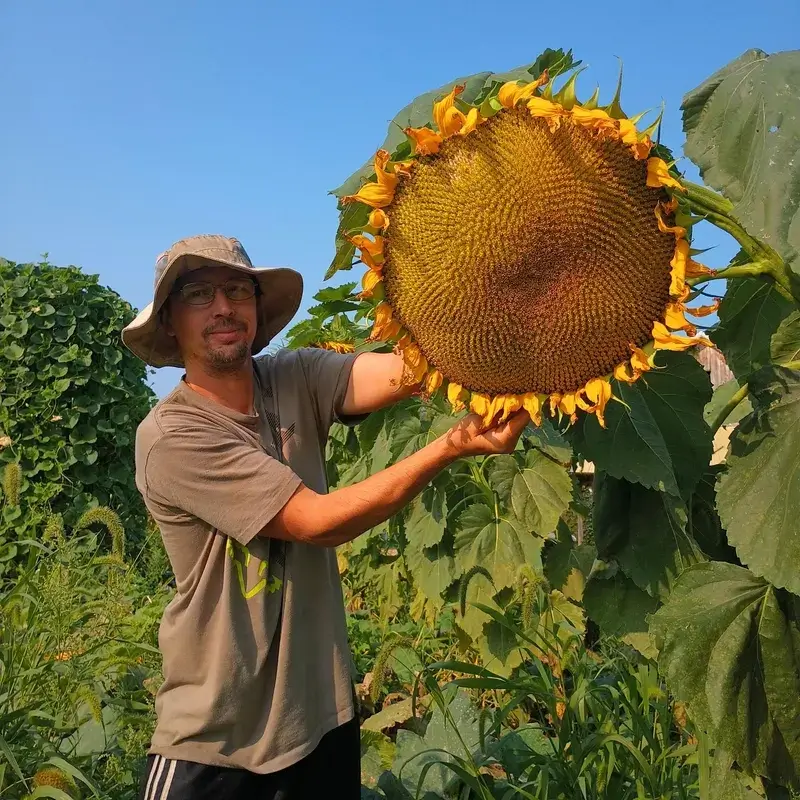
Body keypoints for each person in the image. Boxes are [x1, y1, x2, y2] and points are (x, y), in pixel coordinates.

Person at [121, 234, 529, 800]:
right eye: (198, 295)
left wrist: (504, 306)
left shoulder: (294, 377)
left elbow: (408, 370)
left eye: (237, 290)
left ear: (257, 306)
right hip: (218, 741)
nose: (223, 308)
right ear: (169, 321)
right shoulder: (173, 435)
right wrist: (451, 446)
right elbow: (316, 522)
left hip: (321, 719)